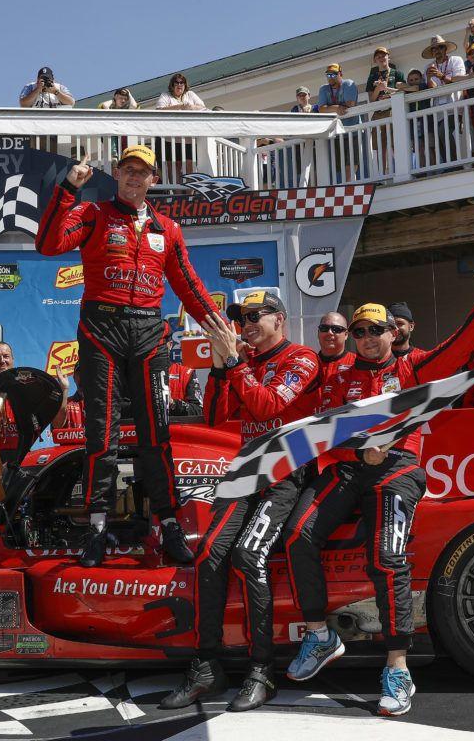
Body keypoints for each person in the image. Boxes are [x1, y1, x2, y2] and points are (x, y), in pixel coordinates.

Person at [286, 275, 474, 717]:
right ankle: (319, 634)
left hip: (398, 471)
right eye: (360, 331)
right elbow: (312, 428)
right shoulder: (337, 377)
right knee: (296, 535)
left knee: (386, 558)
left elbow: (458, 348)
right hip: (346, 470)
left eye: (376, 330)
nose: (368, 338)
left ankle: (397, 665)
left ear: (394, 332)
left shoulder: (412, 369)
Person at [35, 145, 220, 567]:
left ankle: (169, 525)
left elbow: (188, 284)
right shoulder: (95, 213)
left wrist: (217, 325)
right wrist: (67, 189)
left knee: (157, 435)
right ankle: (97, 529)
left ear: (154, 179)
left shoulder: (167, 228)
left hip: (150, 334)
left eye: (143, 172)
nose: (135, 178)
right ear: (116, 173)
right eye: (128, 170)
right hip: (102, 331)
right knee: (102, 434)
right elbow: (48, 245)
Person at [163, 292, 321, 712]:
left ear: (280, 319)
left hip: (289, 468)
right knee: (210, 552)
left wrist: (234, 362)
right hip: (247, 468)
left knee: (249, 555)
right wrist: (220, 364)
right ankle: (206, 668)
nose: (247, 324)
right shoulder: (242, 361)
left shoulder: (302, 358)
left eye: (256, 316)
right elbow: (215, 418)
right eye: (241, 318)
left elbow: (267, 404)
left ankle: (262, 670)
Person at [421, 35, 465, 167]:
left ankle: (454, 164)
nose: (437, 50)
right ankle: (448, 165)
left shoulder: (455, 60)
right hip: (438, 109)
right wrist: (429, 79)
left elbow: (459, 79)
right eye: (434, 49)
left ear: (445, 49)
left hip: (454, 106)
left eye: (440, 47)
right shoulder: (429, 67)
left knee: (443, 131)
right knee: (439, 137)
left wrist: (441, 76)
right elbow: (432, 90)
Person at [318, 63, 361, 182]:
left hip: (352, 129)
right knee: (339, 162)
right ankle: (346, 184)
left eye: (334, 74)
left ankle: (350, 183)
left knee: (352, 160)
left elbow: (350, 104)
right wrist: (337, 108)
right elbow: (321, 109)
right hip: (336, 131)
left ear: (340, 74)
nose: (330, 77)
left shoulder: (348, 83)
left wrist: (330, 107)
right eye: (328, 75)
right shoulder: (324, 89)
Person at [316, 310, 355, 388]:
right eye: (324, 328)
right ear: (318, 333)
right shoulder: (308, 365)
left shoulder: (357, 364)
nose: (329, 332)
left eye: (336, 329)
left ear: (346, 335)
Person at [166, 335, 203, 417]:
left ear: (170, 345)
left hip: (176, 428)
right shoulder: (140, 374)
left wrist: (173, 403)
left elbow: (199, 410)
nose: (157, 349)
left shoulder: (186, 373)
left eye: (161, 344)